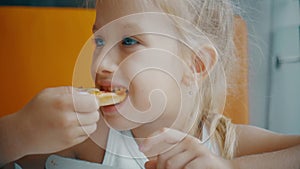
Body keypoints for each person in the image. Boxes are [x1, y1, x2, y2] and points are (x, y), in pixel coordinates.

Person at [1, 0, 300, 169]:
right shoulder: (88, 137)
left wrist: (229, 168)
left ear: (195, 65)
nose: (100, 62)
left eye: (129, 41)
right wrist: (19, 131)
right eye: (99, 40)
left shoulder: (227, 143)